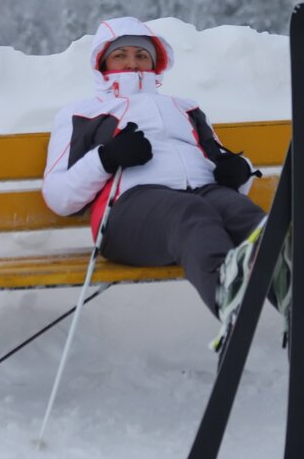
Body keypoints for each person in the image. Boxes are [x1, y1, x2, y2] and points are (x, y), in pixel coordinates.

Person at [41, 16, 264, 321]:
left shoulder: (186, 108)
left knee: (241, 213)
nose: (133, 64)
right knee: (189, 213)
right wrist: (106, 158)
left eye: (142, 55)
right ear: (103, 64)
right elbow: (58, 196)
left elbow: (218, 158)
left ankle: (282, 274)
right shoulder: (83, 113)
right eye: (120, 55)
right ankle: (225, 292)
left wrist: (239, 170)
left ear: (155, 64)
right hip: (127, 213)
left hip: (202, 194)